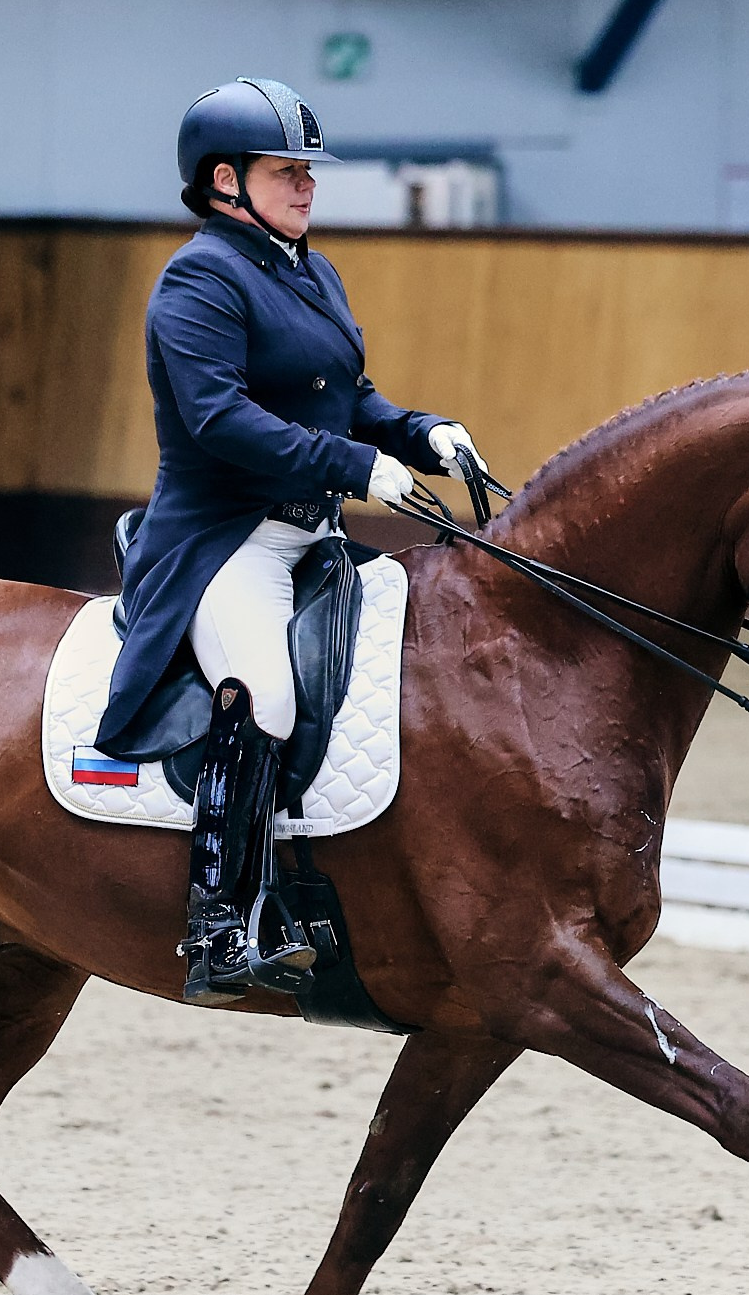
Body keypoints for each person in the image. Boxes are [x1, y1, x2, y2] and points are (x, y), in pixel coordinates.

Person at [97, 77, 490, 1007]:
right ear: (224, 180)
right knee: (266, 691)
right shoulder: (198, 278)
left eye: (309, 171)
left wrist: (416, 430)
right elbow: (219, 417)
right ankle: (219, 923)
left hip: (311, 535)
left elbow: (341, 392)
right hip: (224, 539)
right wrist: (353, 466)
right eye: (288, 172)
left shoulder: (308, 268)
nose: (308, 187)